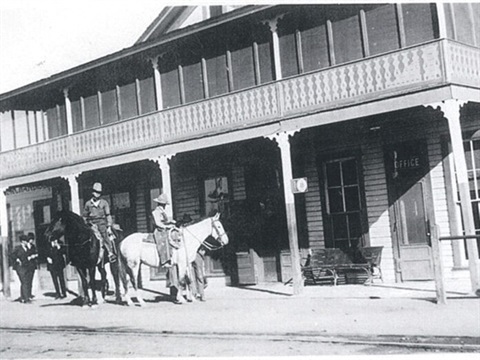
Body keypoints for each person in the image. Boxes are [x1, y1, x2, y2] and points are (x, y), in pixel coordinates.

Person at [83, 182, 116, 262]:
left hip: (101, 223)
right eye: (95, 192)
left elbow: (108, 215)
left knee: (104, 235)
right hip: (91, 223)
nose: (96, 194)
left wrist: (108, 225)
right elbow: (84, 215)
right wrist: (85, 222)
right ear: (92, 192)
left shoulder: (104, 203)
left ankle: (110, 253)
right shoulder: (88, 204)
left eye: (98, 193)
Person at [151, 193, 176, 266]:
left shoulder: (162, 212)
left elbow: (166, 220)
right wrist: (167, 227)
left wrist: (171, 222)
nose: (164, 206)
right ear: (160, 204)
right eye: (164, 204)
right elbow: (158, 223)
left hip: (164, 229)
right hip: (159, 230)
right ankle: (164, 260)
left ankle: (172, 256)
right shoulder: (155, 212)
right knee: (164, 240)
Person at [11, 235, 37, 303]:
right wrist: (17, 259)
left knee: (26, 282)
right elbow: (12, 255)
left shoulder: (26, 248)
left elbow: (27, 256)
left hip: (26, 267)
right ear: (22, 241)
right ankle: (26, 299)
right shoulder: (17, 248)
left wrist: (31, 257)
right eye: (25, 241)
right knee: (24, 282)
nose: (26, 242)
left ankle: (23, 297)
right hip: (20, 267)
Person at [26, 232, 38, 300]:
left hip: (32, 266)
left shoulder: (33, 246)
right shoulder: (25, 246)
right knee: (26, 281)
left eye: (32, 239)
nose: (32, 241)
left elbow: (36, 253)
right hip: (26, 266)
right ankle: (26, 294)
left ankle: (29, 294)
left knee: (30, 281)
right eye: (31, 239)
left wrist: (35, 255)